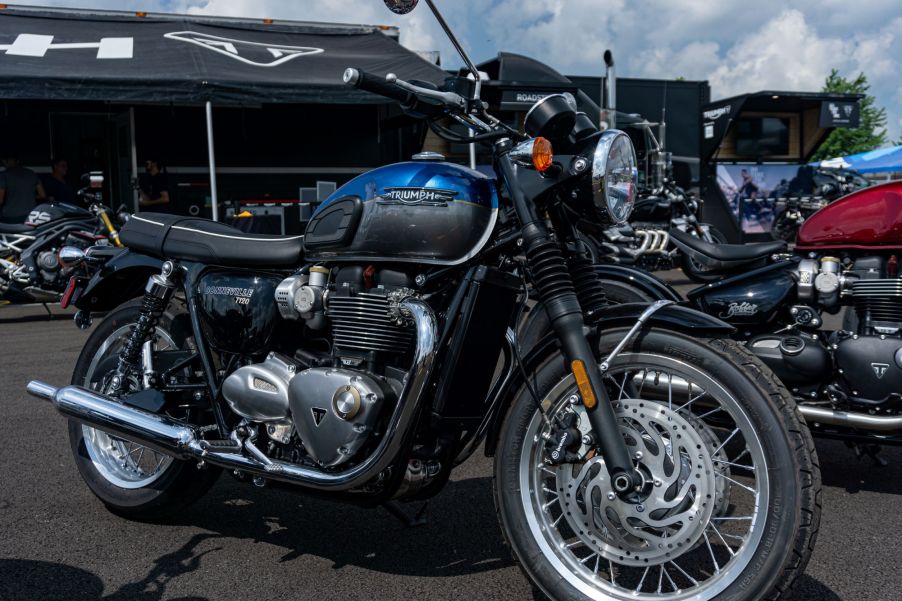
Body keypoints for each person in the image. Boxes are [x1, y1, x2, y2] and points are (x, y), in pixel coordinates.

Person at [0, 154, 46, 223]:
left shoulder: (3, 175)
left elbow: (0, 200)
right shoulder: (31, 173)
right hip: (31, 215)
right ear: (17, 161)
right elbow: (43, 195)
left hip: (10, 216)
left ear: (4, 161)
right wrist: (28, 195)